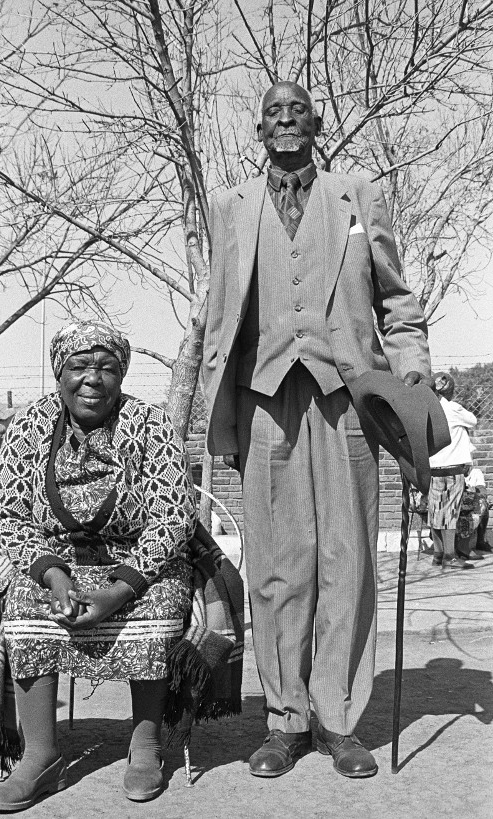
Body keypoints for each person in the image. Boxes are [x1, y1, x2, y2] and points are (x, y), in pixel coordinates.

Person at [203, 80, 431, 780]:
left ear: (317, 121)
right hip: (265, 400)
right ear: (259, 128)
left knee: (349, 560)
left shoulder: (358, 193)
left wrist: (414, 371)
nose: (284, 120)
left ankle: (337, 718)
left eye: (296, 110)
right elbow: (218, 314)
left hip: (347, 400)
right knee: (277, 567)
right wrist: (220, 420)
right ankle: (284, 720)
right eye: (272, 112)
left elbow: (397, 299)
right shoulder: (230, 205)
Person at [0, 320, 197, 811]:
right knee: (22, 603)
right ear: (60, 372)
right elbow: (12, 519)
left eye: (105, 367)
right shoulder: (27, 427)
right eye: (79, 366)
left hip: (136, 561)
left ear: (121, 375)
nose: (92, 379)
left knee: (164, 599)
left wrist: (117, 591)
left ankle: (144, 748)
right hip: (52, 563)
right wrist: (55, 576)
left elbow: (172, 515)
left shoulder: (152, 424)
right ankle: (40, 755)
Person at [428, 372, 477, 569]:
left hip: (433, 469)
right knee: (450, 513)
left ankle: (438, 554)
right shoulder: (453, 408)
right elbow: (472, 420)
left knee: (436, 511)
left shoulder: (427, 410)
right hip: (452, 468)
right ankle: (450, 556)